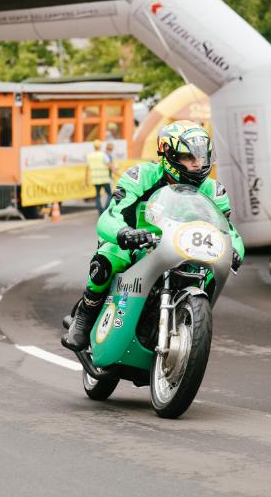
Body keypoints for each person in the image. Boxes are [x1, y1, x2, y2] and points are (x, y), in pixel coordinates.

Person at [62, 121, 245, 352]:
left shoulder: (214, 191)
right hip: (136, 244)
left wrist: (235, 249)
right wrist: (124, 233)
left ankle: (192, 322)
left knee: (212, 273)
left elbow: (228, 230)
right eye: (189, 157)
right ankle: (84, 315)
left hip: (185, 249)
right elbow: (110, 215)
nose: (198, 164)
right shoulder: (141, 176)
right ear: (168, 154)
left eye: (202, 157)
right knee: (109, 257)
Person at [86, 140, 112, 214]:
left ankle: (100, 211)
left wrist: (86, 180)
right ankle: (105, 209)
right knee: (109, 194)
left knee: (98, 195)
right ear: (100, 146)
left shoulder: (90, 156)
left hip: (95, 179)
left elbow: (87, 168)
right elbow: (110, 165)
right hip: (104, 179)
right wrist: (117, 173)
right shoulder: (103, 155)